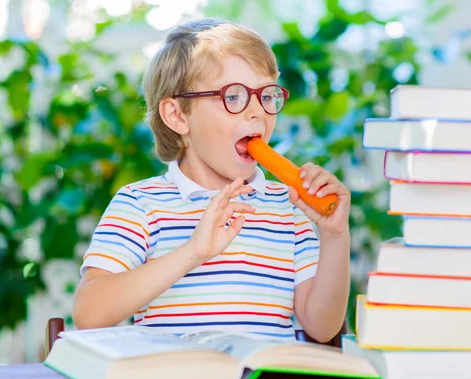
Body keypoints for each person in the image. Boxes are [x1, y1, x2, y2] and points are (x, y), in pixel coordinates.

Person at [72, 18, 351, 343]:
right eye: (233, 97)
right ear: (177, 116)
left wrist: (335, 236)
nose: (257, 112)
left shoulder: (289, 208)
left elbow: (323, 327)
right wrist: (193, 252)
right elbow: (89, 314)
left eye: (267, 95)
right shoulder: (140, 204)